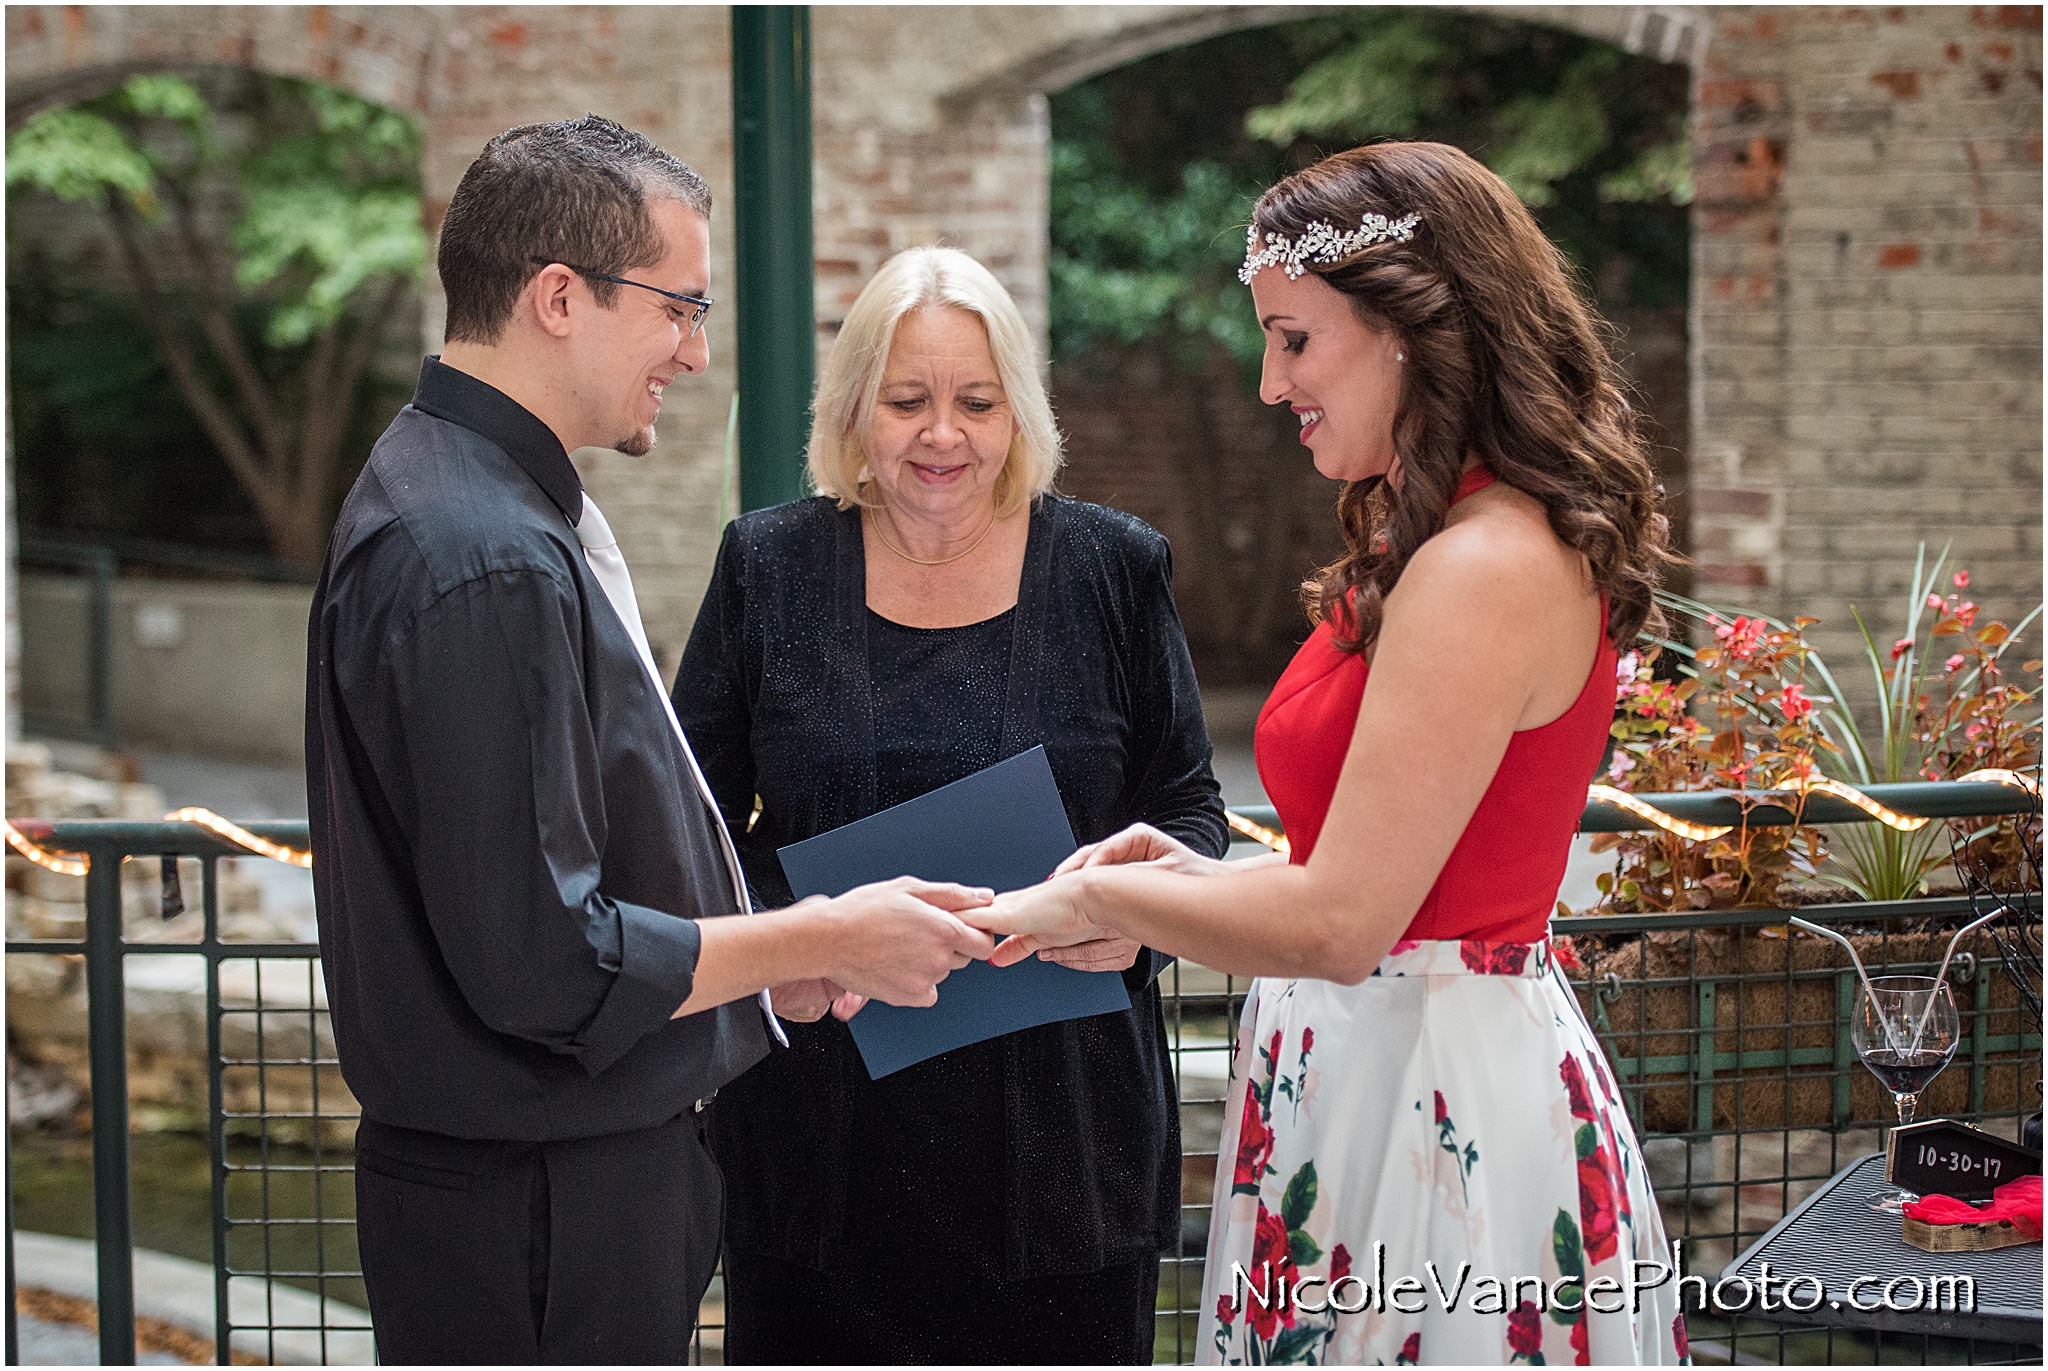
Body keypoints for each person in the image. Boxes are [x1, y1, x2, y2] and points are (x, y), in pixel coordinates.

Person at [965, 143, 1690, 1366]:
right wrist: (1183, 888)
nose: (1266, 382)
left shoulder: (1478, 568)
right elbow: (1378, 881)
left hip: (1429, 1097)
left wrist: (1089, 894)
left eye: (1292, 338)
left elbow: (1347, 924)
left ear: (1409, 325)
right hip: (1367, 1059)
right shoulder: (1439, 540)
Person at [305, 117, 995, 1366]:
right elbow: (539, 959)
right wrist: (823, 934)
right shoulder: (488, 556)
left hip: (535, 1185)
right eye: (678, 307)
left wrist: (762, 970)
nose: (695, 349)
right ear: (558, 297)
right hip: (544, 1204)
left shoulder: (460, 495)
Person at [671, 245, 1228, 1364]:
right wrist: (791, 944)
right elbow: (685, 823)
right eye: (908, 401)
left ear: (1018, 412)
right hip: (821, 1131)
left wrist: (1137, 919)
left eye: (976, 402)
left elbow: (1189, 808)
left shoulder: (1113, 569)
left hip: (1061, 1135)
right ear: (853, 413)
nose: (943, 436)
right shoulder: (767, 566)